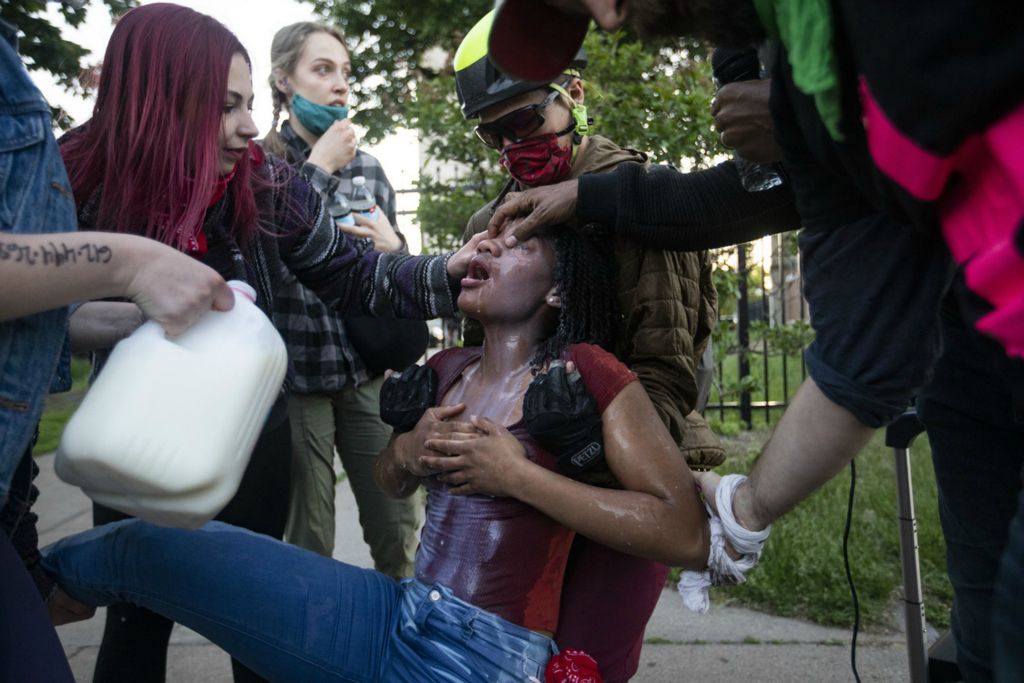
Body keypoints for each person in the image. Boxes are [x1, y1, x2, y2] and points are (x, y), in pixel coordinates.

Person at [485, 1, 1024, 679]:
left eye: (524, 120)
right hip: (980, 352)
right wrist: (744, 509)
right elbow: (861, 341)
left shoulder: (855, 48)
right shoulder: (785, 58)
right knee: (986, 645)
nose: (612, 20)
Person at [41, 224, 712, 682]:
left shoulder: (584, 372)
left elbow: (681, 530)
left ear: (559, 289)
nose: (488, 246)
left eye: (518, 244)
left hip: (484, 659)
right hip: (397, 613)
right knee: (144, 545)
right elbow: (385, 481)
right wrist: (408, 451)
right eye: (485, 236)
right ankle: (36, 588)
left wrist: (518, 476)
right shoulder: (447, 367)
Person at [54, 5, 478, 682]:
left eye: (249, 103)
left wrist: (449, 272)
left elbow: (354, 272)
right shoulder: (65, 179)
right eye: (226, 106)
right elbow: (34, 319)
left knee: (258, 628)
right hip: (135, 436)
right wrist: (127, 313)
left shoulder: (263, 181)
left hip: (253, 434)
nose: (250, 126)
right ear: (158, 99)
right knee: (133, 620)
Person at [442, 11, 796, 680]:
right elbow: (475, 361)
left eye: (522, 121)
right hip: (518, 481)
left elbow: (667, 373)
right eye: (493, 133)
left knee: (584, 663)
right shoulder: (486, 223)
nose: (512, 145)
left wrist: (584, 448)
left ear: (570, 95)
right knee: (498, 656)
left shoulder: (642, 198)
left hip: (628, 480)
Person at [0, 14, 235, 683]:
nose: (247, 128)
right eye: (226, 105)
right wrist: (126, 263)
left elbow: (25, 319)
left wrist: (99, 318)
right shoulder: (81, 163)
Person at [260, 21, 421, 576]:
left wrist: (396, 247)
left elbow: (395, 273)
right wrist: (318, 169)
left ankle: (402, 646)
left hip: (365, 370)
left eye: (345, 73)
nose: (340, 86)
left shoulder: (370, 169)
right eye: (322, 69)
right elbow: (270, 260)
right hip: (298, 375)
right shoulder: (261, 165)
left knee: (399, 528)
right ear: (284, 80)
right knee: (307, 539)